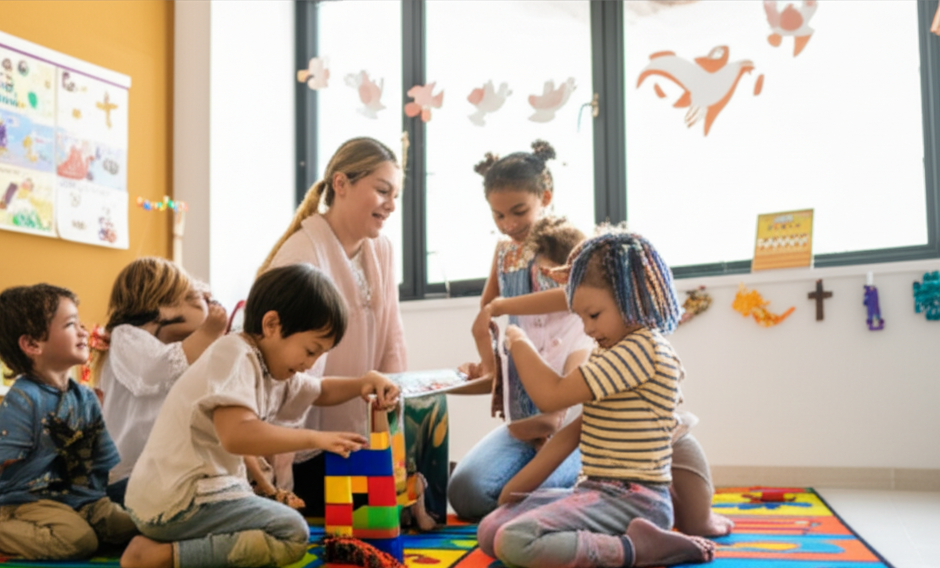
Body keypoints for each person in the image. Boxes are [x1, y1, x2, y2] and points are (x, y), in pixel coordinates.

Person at [119, 263, 399, 568]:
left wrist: (365, 381)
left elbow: (320, 390)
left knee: (278, 519)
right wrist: (315, 437)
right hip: (177, 501)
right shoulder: (234, 355)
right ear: (272, 324)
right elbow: (237, 434)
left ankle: (165, 543)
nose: (310, 364)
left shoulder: (269, 365)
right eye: (310, 350)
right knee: (292, 533)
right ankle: (162, 557)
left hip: (180, 497)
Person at [471, 226, 733, 538]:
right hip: (603, 485)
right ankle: (670, 527)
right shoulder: (606, 354)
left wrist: (517, 339)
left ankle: (648, 542)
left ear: (632, 297)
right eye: (581, 318)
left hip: (641, 484)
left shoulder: (639, 348)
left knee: (514, 539)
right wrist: (512, 494)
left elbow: (550, 396)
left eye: (593, 315)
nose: (588, 328)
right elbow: (577, 430)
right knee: (492, 531)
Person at [258, 137, 422, 519]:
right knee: (357, 519)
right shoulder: (304, 253)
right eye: (382, 191)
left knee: (400, 509)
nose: (391, 205)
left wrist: (395, 410)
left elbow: (391, 336)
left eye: (395, 195)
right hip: (307, 439)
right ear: (341, 184)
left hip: (361, 432)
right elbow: (289, 370)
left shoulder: (380, 250)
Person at [449, 141, 595, 520]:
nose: (509, 224)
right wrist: (486, 363)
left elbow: (574, 296)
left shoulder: (564, 238)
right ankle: (545, 483)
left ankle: (582, 463)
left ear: (545, 196)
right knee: (466, 496)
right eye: (498, 215)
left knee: (521, 494)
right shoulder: (503, 251)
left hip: (566, 375)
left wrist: (504, 307)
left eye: (519, 211)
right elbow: (485, 310)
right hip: (524, 397)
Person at [0, 284, 137, 560]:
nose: (84, 331)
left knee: (133, 526)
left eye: (81, 323)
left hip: (82, 498)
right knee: (78, 542)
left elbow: (100, 460)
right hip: (31, 502)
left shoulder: (86, 397)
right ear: (32, 345)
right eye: (71, 324)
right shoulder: (25, 400)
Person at [92, 257, 230, 506]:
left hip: (161, 477)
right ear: (165, 307)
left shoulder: (171, 350)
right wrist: (208, 332)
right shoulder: (126, 336)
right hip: (128, 479)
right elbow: (152, 370)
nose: (209, 307)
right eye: (198, 298)